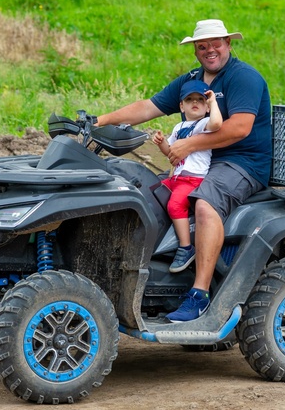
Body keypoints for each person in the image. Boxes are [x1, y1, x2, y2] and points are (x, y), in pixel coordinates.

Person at [97, 19, 271, 323]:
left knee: (205, 204)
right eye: (202, 46)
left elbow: (240, 128)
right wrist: (99, 121)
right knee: (145, 191)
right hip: (201, 161)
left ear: (229, 44)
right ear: (195, 49)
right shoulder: (192, 80)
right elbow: (147, 107)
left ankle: (199, 295)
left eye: (216, 44)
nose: (209, 50)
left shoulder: (245, 78)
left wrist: (189, 145)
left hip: (241, 162)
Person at [152, 80, 222, 274]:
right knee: (154, 192)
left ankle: (185, 246)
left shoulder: (202, 125)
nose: (195, 103)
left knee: (174, 205)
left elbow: (217, 123)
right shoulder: (179, 126)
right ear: (181, 106)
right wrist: (161, 144)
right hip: (178, 177)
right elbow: (171, 153)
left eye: (200, 99)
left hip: (193, 179)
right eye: (189, 99)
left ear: (206, 106)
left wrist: (213, 101)